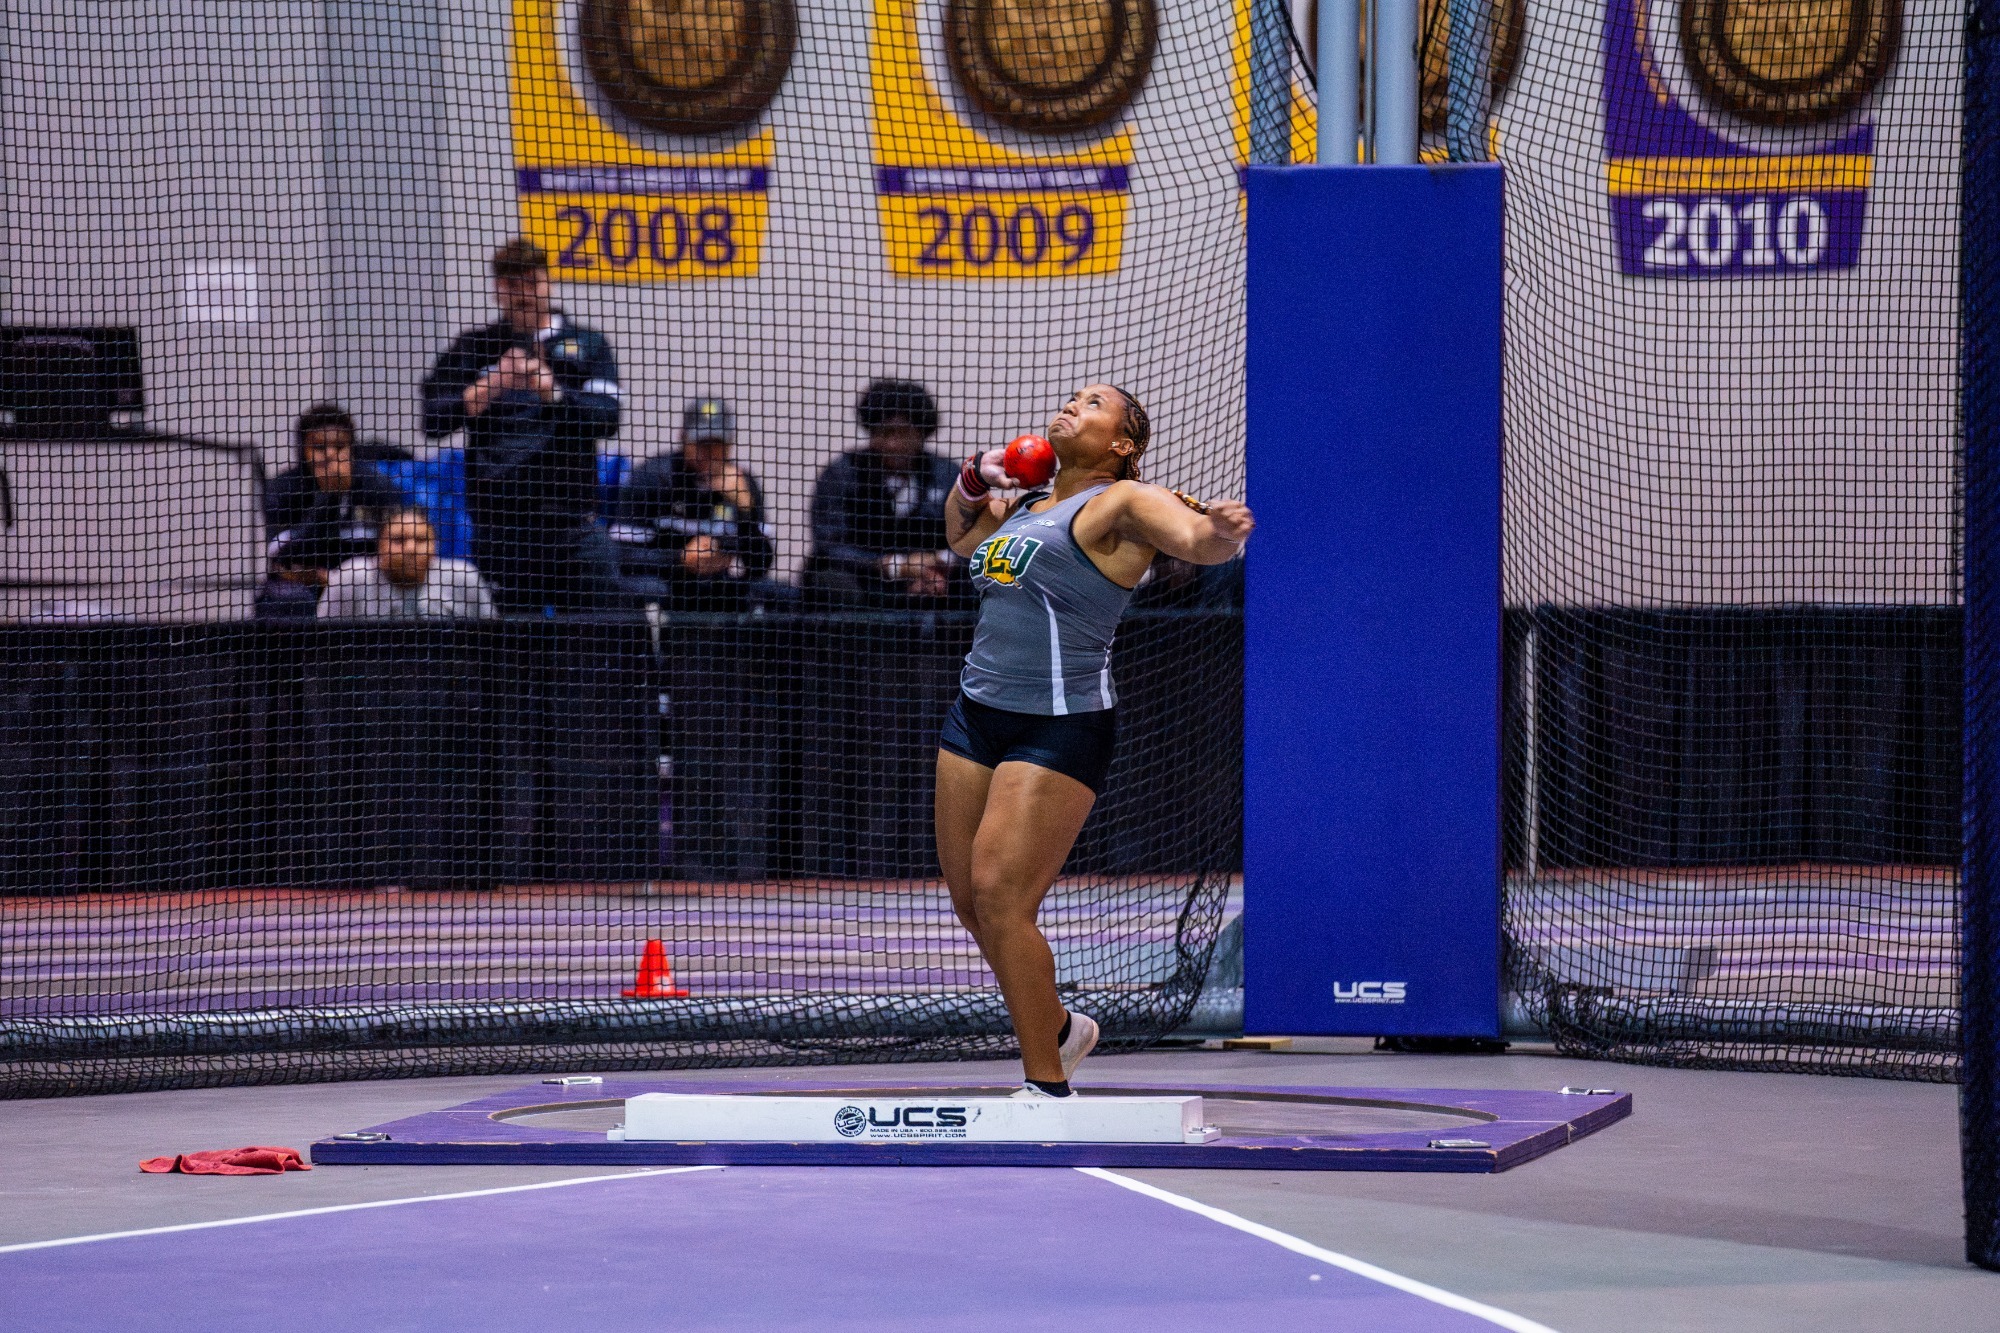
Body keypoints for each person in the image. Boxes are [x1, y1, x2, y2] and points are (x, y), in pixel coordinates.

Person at [937, 384, 1255, 1098]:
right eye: (1073, 396)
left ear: (1122, 445)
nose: (1073, 404)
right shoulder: (1026, 502)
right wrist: (972, 479)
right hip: (974, 713)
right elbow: (960, 537)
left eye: (1094, 403)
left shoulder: (1121, 502)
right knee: (970, 901)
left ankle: (1046, 1084)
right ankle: (1058, 1027)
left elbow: (1196, 540)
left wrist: (1225, 533)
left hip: (1057, 721)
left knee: (1001, 895)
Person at [421, 238, 622, 615]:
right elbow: (432, 420)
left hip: (572, 528)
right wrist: (491, 385)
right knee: (512, 654)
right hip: (501, 532)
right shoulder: (474, 348)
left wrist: (554, 394)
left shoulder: (587, 345)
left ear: (549, 282)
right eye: (513, 285)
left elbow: (607, 419)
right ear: (498, 290)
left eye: (532, 282)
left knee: (596, 640)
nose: (524, 294)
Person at [805, 379, 964, 607]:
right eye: (884, 433)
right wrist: (894, 566)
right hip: (864, 580)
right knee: (830, 582)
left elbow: (970, 537)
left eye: (903, 434)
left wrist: (939, 563)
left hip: (932, 579)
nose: (893, 444)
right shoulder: (843, 472)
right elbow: (829, 543)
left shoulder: (947, 474)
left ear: (922, 433)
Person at [612, 398, 780, 613]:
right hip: (666, 583)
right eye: (701, 442)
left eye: (717, 443)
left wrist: (746, 513)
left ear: (729, 444)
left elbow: (760, 565)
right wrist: (680, 560)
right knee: (634, 592)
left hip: (719, 586)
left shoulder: (743, 483)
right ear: (683, 439)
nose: (709, 453)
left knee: (779, 595)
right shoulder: (653, 477)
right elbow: (621, 555)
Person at [257, 404, 404, 619]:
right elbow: (284, 558)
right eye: (319, 447)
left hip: (364, 584)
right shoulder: (283, 488)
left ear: (351, 448)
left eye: (339, 446)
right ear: (303, 450)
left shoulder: (377, 485)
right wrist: (330, 495)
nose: (330, 455)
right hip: (305, 585)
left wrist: (345, 581)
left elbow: (395, 542)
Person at [319, 508, 496, 620]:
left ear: (435, 546)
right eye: (399, 539)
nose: (410, 549)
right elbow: (321, 644)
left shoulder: (463, 577)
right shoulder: (351, 578)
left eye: (421, 539)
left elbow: (492, 640)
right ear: (379, 545)